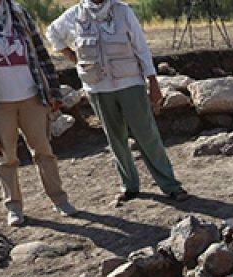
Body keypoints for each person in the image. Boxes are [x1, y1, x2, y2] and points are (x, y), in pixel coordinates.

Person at [46, 0, 187, 205]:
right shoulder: (75, 14)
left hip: (130, 83)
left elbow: (141, 46)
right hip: (98, 88)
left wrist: (153, 82)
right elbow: (52, 32)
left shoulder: (123, 11)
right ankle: (129, 185)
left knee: (146, 134)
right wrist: (74, 58)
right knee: (115, 138)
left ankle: (170, 185)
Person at [0, 0, 74, 226]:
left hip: (32, 96)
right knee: (6, 157)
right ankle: (14, 207)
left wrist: (54, 90)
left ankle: (59, 199)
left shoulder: (18, 12)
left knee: (44, 151)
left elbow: (40, 52)